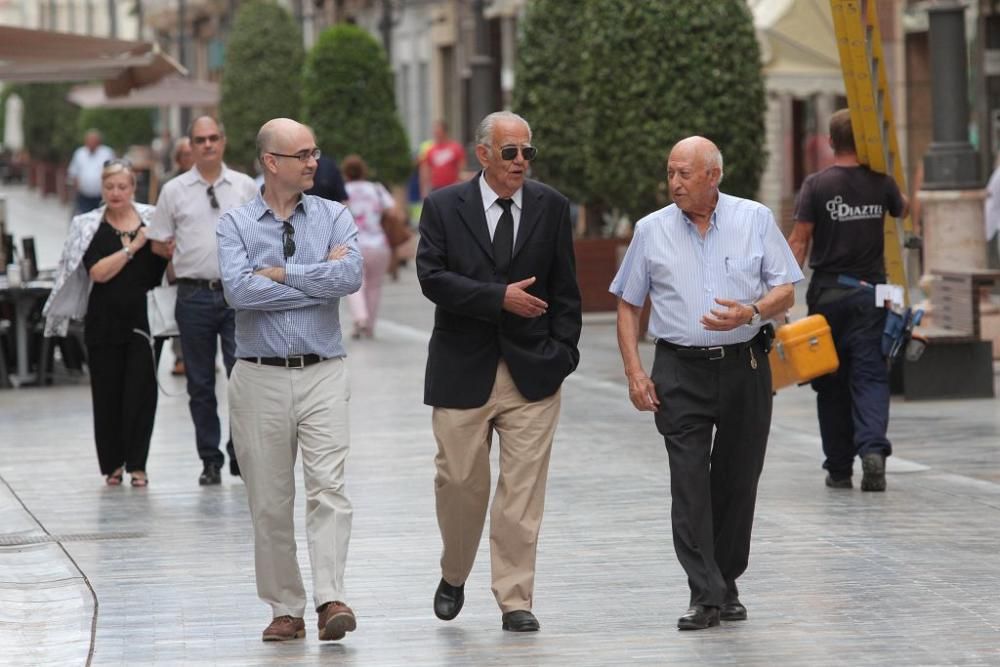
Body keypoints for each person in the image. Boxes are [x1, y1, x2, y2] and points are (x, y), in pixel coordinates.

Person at [611, 136, 802, 631]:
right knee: (690, 481)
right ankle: (705, 593)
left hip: (746, 366)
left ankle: (727, 583)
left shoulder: (754, 219)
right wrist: (634, 371)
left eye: (684, 174)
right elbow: (629, 303)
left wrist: (753, 311)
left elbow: (785, 287)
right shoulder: (651, 231)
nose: (674, 182)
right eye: (670, 173)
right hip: (679, 369)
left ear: (712, 176)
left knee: (738, 480)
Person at [417, 110, 582, 633]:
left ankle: (515, 597)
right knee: (459, 482)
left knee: (522, 490)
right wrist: (498, 299)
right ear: (483, 154)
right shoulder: (443, 206)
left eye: (527, 152)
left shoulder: (552, 207)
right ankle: (454, 570)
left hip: (533, 372)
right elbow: (432, 278)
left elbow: (565, 289)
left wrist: (564, 354)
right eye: (510, 152)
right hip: (462, 368)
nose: (520, 162)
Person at [217, 118, 362, 643]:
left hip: (323, 369)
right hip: (259, 377)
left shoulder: (334, 214)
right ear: (271, 162)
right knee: (269, 500)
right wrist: (315, 278)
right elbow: (239, 293)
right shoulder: (234, 224)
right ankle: (285, 607)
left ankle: (331, 599)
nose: (313, 161)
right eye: (301, 154)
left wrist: (281, 274)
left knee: (330, 490)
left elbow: (350, 277)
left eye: (314, 151)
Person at [787, 109, 908, 492]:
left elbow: (800, 240)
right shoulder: (882, 183)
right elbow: (905, 210)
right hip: (871, 297)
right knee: (870, 376)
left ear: (829, 141)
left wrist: (785, 294)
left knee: (829, 378)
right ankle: (873, 450)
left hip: (827, 296)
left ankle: (839, 468)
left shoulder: (816, 185)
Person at [146, 116, 258, 486]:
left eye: (213, 138)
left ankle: (240, 453)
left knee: (242, 379)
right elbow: (158, 240)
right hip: (192, 295)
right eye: (200, 139)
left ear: (223, 142)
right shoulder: (174, 190)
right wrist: (173, 253)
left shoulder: (244, 186)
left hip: (236, 294)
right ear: (190, 147)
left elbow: (263, 233)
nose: (208, 144)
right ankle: (209, 459)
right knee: (199, 384)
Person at [43, 159, 167, 487]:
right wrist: (132, 247)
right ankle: (112, 463)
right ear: (101, 190)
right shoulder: (88, 226)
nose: (116, 193)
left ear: (132, 188)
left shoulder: (152, 219)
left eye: (122, 187)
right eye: (109, 187)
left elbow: (167, 258)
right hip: (103, 321)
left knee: (141, 394)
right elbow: (97, 272)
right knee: (108, 393)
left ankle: (138, 465)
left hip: (143, 319)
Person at [341, 154, 398, 338]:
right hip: (379, 244)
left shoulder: (343, 191)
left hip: (354, 244)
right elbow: (393, 210)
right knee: (375, 286)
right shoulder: (377, 189)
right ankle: (370, 326)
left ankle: (360, 318)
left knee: (355, 285)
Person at [162, 137, 195, 377]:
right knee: (180, 309)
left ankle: (202, 355)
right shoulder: (169, 184)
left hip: (202, 259)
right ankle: (180, 356)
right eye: (185, 154)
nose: (190, 157)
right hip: (177, 256)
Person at [67, 129, 115, 215]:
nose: (91, 143)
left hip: (101, 196)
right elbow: (74, 173)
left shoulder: (107, 153)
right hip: (83, 196)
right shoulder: (80, 153)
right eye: (89, 141)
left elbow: (113, 172)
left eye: (93, 141)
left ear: (98, 142)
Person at [419, 120, 466, 199]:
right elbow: (425, 172)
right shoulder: (430, 150)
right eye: (435, 131)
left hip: (452, 187)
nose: (436, 133)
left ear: (445, 131)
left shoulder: (456, 148)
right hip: (436, 188)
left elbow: (461, 169)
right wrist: (424, 190)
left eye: (438, 131)